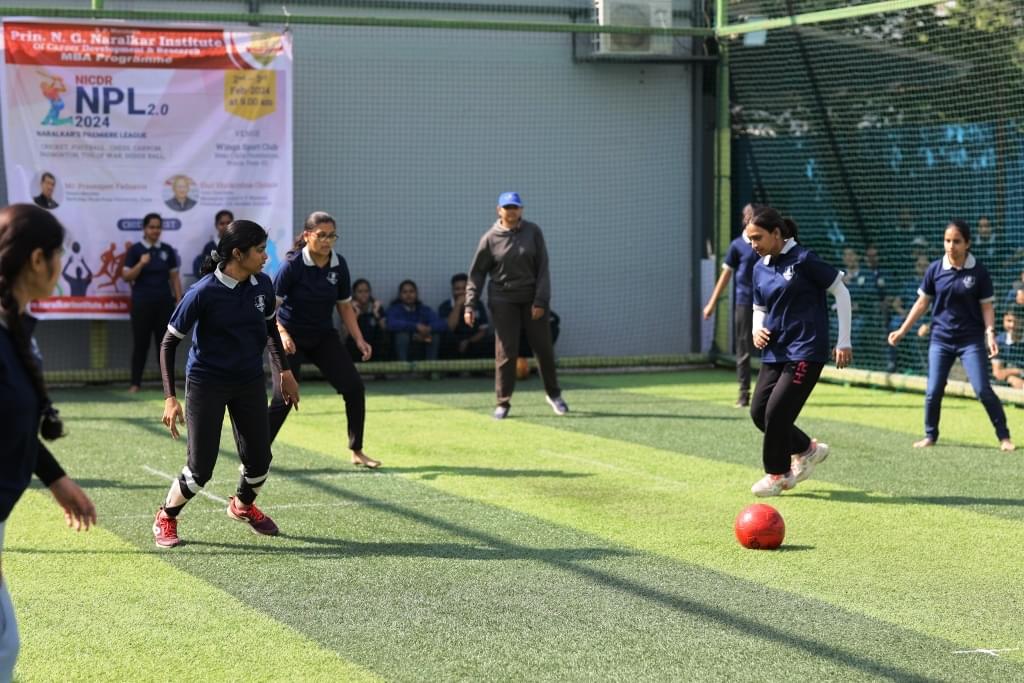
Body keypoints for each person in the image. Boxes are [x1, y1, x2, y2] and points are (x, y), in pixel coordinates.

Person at [153, 219, 298, 548]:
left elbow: (270, 330)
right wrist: (169, 398)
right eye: (260, 250)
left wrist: (285, 373)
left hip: (248, 380)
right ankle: (166, 516)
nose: (265, 257)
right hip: (207, 383)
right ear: (237, 253)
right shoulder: (203, 292)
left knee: (260, 460)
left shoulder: (262, 284)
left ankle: (242, 506)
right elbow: (168, 343)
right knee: (200, 469)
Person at [0, 204, 96, 677]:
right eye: (59, 254)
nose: (61, 264)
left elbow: (10, 424)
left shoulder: (15, 327)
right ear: (38, 259)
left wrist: (55, 478)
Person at [746, 206, 852, 496]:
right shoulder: (759, 267)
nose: (753, 245)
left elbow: (841, 291)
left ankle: (778, 475)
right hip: (775, 351)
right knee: (759, 414)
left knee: (777, 413)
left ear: (777, 233)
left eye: (758, 238)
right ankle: (807, 449)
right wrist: (757, 329)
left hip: (805, 350)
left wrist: (844, 341)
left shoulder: (804, 259)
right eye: (750, 239)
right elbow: (759, 307)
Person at [888, 220, 1014, 452]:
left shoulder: (979, 272)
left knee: (982, 389)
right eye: (947, 240)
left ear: (967, 243)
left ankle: (1004, 437)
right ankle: (930, 435)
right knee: (933, 390)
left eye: (956, 241)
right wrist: (903, 330)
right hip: (941, 340)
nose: (951, 246)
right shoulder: (935, 269)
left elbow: (987, 307)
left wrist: (990, 334)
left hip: (971, 341)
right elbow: (922, 303)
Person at [268, 211, 380, 469]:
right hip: (289, 337)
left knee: (354, 388)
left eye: (332, 236)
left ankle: (357, 450)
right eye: (321, 235)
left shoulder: (339, 265)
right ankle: (256, 453)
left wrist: (359, 339)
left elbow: (344, 307)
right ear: (307, 236)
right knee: (283, 398)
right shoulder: (291, 266)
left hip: (322, 336)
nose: (327, 241)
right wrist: (283, 334)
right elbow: (269, 312)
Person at [465, 191, 568, 419]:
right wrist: (469, 305)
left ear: (521, 210)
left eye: (515, 207)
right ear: (499, 210)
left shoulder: (533, 232)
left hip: (532, 299)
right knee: (506, 351)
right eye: (507, 207)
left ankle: (554, 395)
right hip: (502, 299)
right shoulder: (490, 238)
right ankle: (503, 402)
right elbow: (477, 274)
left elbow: (543, 269)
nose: (512, 211)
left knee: (543, 348)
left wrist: (540, 300)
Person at [703, 203, 761, 407]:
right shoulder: (737, 245)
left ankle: (771, 392)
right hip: (744, 303)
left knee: (772, 346)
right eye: (750, 218)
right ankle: (744, 393)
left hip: (768, 303)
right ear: (745, 221)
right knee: (743, 347)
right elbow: (725, 276)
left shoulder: (767, 243)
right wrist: (711, 303)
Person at [121, 213, 182, 393]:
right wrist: (140, 264)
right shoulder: (135, 251)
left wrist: (179, 299)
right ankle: (135, 384)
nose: (155, 230)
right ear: (145, 229)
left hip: (164, 304)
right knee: (141, 344)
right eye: (152, 227)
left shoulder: (167, 250)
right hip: (142, 304)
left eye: (158, 227)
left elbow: (174, 277)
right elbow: (126, 276)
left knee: (165, 345)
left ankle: (168, 387)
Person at [386, 279, 446, 361]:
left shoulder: (424, 309)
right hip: (405, 340)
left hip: (423, 339)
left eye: (411, 291)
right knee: (402, 336)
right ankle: (403, 370)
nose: (408, 295)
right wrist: (415, 327)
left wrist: (429, 329)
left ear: (416, 293)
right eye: (405, 292)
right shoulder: (394, 309)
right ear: (400, 295)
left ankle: (431, 369)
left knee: (434, 336)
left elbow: (441, 324)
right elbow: (391, 324)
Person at [439, 273, 493, 360]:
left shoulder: (478, 304)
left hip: (473, 342)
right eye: (457, 289)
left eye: (464, 288)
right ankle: (452, 372)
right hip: (453, 344)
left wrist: (468, 341)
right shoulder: (444, 306)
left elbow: (483, 330)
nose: (461, 292)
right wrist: (458, 305)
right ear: (452, 290)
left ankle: (478, 371)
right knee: (445, 341)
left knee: (490, 340)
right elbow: (449, 328)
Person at [192, 210, 233, 280]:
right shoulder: (209, 247)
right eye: (222, 223)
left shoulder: (239, 244)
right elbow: (205, 271)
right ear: (216, 225)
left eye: (228, 223)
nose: (226, 226)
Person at [992, 309, 1023, 390]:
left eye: (1016, 322)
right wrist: (1017, 373)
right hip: (1003, 383)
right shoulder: (998, 342)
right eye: (1009, 321)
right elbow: (998, 373)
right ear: (1003, 321)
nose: (1012, 325)